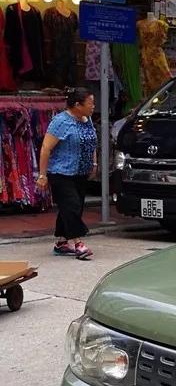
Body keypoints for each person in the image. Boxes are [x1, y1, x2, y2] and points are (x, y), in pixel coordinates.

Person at [36, 87, 98, 260]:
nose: (93, 106)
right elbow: (46, 149)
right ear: (77, 105)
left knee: (74, 206)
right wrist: (42, 175)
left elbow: (92, 142)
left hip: (80, 172)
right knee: (71, 205)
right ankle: (78, 243)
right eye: (90, 103)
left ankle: (62, 243)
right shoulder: (60, 121)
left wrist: (94, 163)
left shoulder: (87, 120)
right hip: (61, 172)